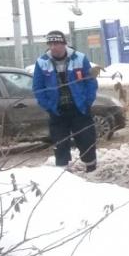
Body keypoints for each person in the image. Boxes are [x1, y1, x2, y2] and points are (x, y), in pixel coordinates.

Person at [32, 30, 99, 172]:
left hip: (79, 109)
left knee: (86, 139)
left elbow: (90, 82)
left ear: (64, 44)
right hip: (57, 111)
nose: (53, 47)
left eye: (56, 43)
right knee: (60, 143)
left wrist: (87, 102)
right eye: (50, 44)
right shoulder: (42, 62)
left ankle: (91, 168)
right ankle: (62, 172)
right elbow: (38, 88)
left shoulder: (79, 58)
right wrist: (48, 106)